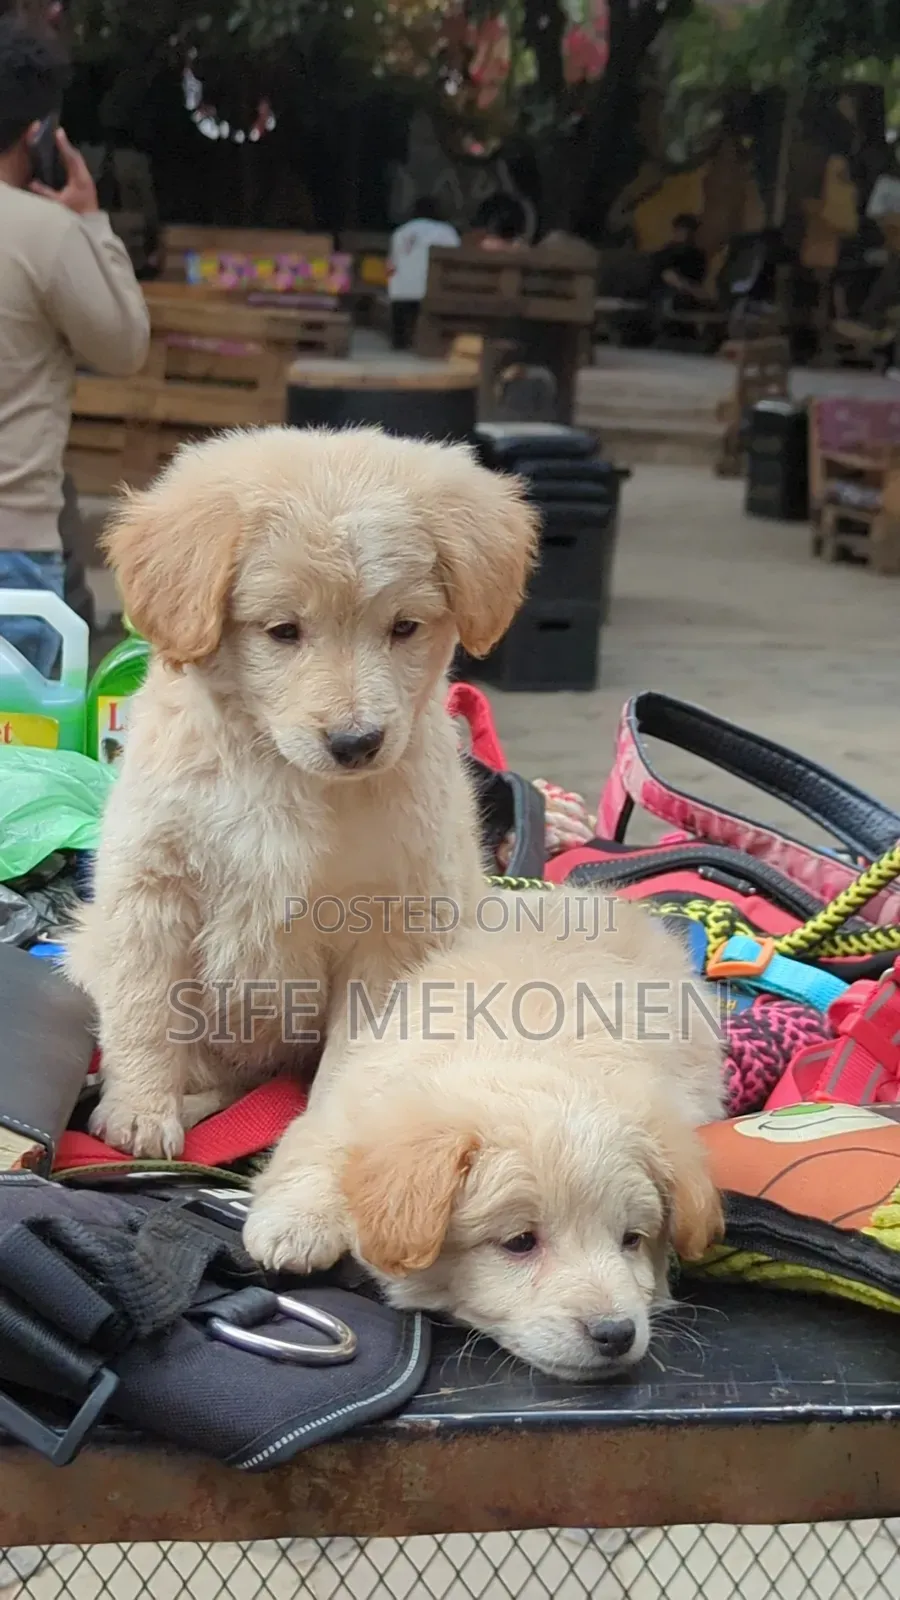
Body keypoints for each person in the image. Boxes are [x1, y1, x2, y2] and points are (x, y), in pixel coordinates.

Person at [0, 17, 149, 673]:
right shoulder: (47, 233)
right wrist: (91, 223)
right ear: (37, 133)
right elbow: (124, 345)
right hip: (12, 550)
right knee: (19, 738)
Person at [387, 196, 460, 352]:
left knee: (400, 286)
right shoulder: (445, 231)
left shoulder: (401, 231)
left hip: (401, 291)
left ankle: (399, 341)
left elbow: (392, 263)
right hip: (434, 288)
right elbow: (456, 258)